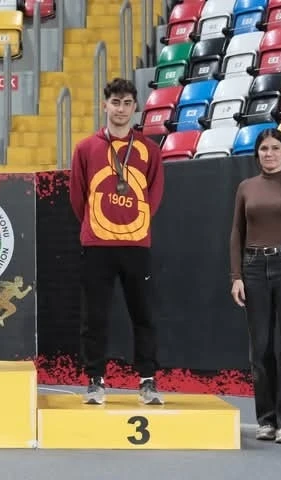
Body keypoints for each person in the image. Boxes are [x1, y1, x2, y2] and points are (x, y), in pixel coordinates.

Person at [69, 78, 165, 405]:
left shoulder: (149, 150)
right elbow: (78, 196)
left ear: (135, 107)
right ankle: (95, 380)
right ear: (104, 105)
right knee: (94, 316)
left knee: (144, 314)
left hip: (136, 244)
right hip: (97, 243)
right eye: (115, 102)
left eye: (127, 103)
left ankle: (147, 380)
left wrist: (134, 224)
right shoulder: (86, 148)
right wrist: (96, 224)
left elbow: (154, 194)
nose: (121, 109)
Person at [229, 128, 281, 444]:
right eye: (264, 148)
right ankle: (266, 420)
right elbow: (236, 233)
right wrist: (236, 276)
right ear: (257, 154)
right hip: (253, 268)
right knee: (261, 348)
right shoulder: (246, 187)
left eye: (275, 148)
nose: (269, 153)